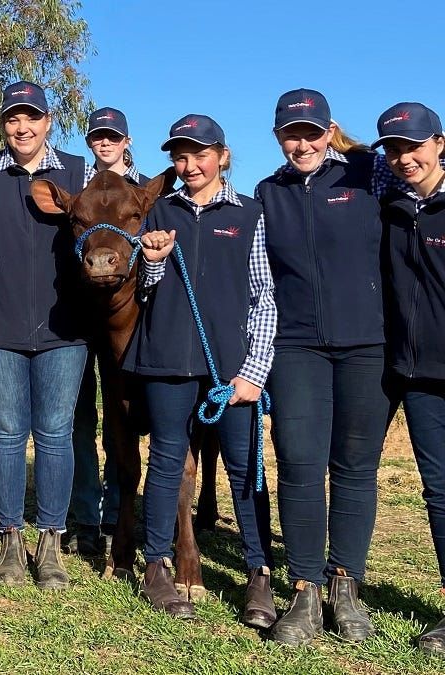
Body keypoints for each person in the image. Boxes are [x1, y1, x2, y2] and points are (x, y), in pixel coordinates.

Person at [254, 89, 392, 646]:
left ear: (330, 130)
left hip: (369, 345)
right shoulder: (269, 193)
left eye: (312, 132)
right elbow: (256, 277)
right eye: (292, 133)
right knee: (300, 464)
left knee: (356, 468)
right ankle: (305, 590)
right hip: (296, 348)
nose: (302, 143)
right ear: (278, 136)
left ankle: (346, 586)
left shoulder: (370, 174)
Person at [126, 114, 275, 626]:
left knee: (245, 468)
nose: (189, 165)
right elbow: (143, 294)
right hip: (167, 360)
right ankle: (156, 566)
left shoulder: (250, 214)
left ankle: (259, 574)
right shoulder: (158, 212)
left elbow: (264, 298)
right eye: (180, 156)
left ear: (223, 156)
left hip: (230, 369)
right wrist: (152, 261)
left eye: (200, 154)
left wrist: (254, 369)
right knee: (167, 462)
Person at [0, 81, 86, 588]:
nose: (23, 128)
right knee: (3, 433)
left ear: (48, 121)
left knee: (55, 434)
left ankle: (52, 541)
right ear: (4, 124)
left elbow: (128, 199)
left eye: (32, 118)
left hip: (66, 330)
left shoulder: (80, 173)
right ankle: (10, 540)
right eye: (13, 119)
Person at [372, 101, 445, 656]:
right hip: (418, 376)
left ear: (439, 143)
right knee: (440, 493)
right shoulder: (392, 207)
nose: (403, 158)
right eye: (393, 149)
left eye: (412, 146)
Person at [69, 106, 147, 557]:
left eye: (113, 136)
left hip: (130, 318)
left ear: (126, 141)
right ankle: (85, 516)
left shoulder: (148, 190)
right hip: (82, 316)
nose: (105, 143)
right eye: (98, 136)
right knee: (81, 416)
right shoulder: (80, 188)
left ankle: (121, 510)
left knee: (126, 412)